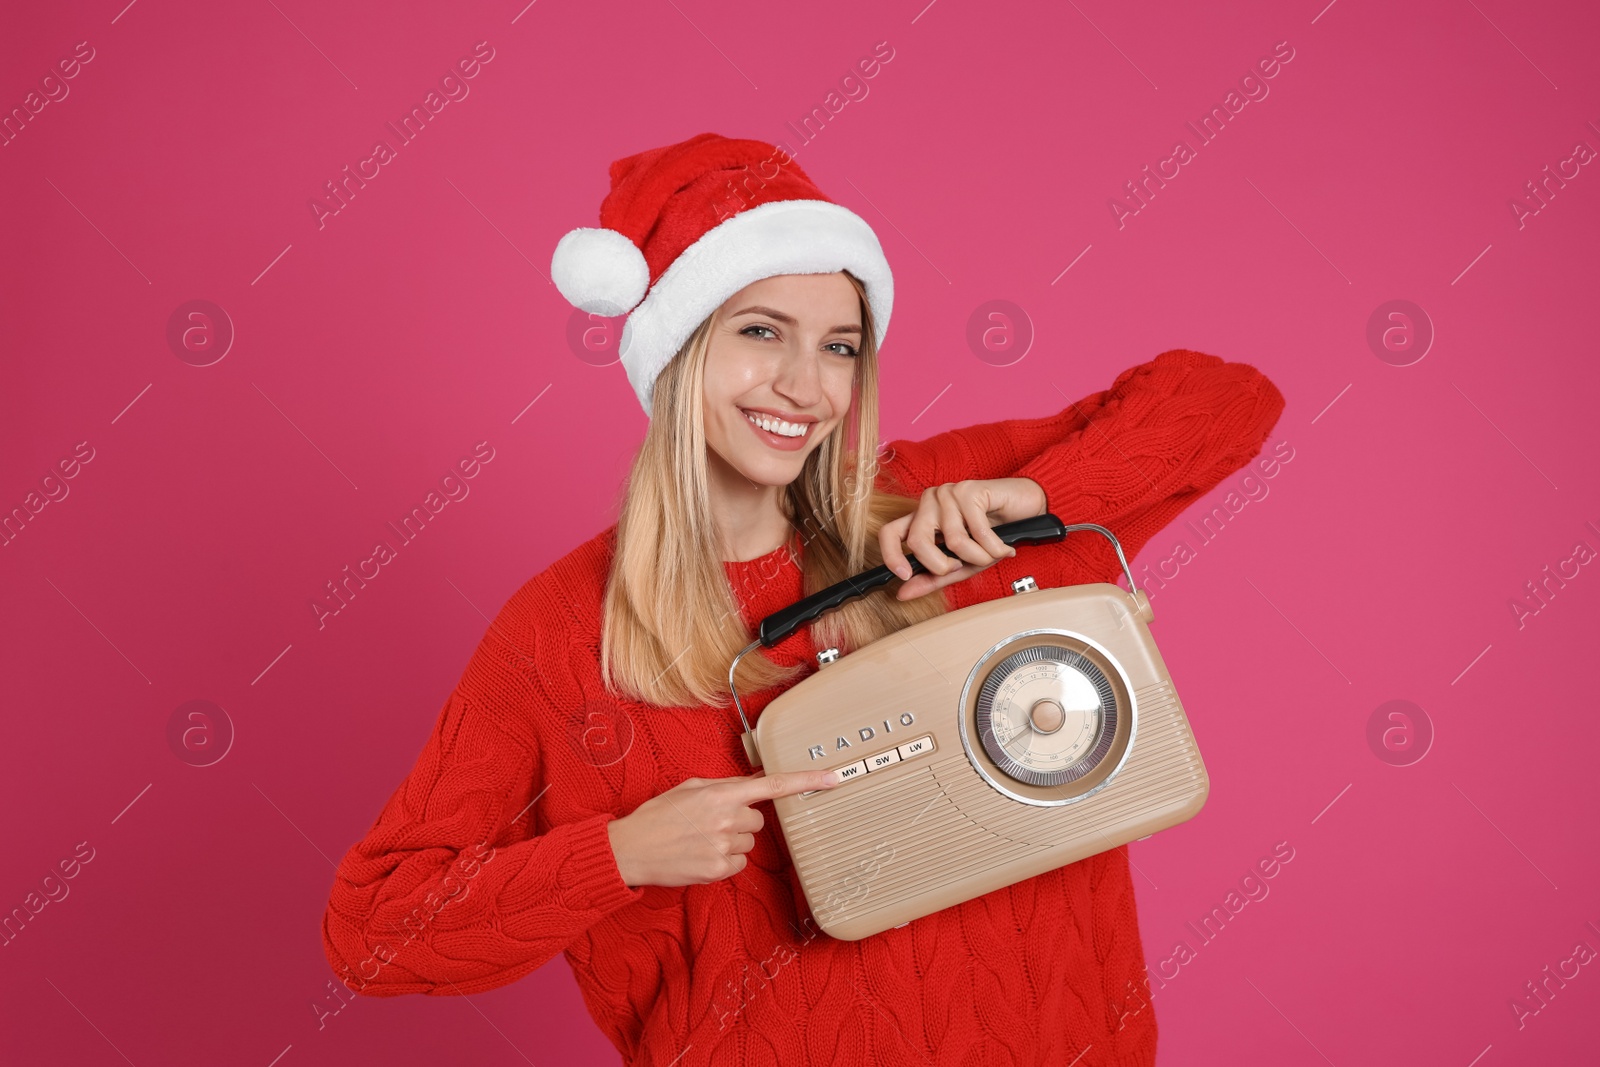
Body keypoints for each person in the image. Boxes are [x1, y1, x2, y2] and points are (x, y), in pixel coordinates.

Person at [320, 132, 1286, 1065]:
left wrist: (1044, 501)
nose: (804, 384)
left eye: (840, 346)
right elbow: (373, 932)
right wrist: (618, 853)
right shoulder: (570, 633)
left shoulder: (937, 506)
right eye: (758, 332)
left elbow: (1231, 397)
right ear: (677, 350)